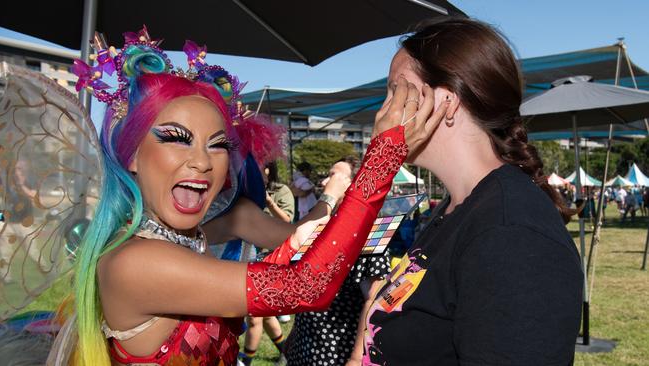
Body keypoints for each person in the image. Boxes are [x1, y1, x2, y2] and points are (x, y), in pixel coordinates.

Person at [45, 27, 446, 366]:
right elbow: (304, 288)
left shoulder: (174, 242)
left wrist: (292, 243)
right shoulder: (135, 261)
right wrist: (382, 156)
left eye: (217, 145)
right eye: (176, 139)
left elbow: (255, 281)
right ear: (131, 155)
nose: (202, 162)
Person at [354, 18, 583, 365]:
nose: (382, 111)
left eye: (394, 91)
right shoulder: (455, 210)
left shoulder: (510, 233)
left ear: (445, 102)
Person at [285, 156, 390, 366]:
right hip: (304, 347)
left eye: (335, 176)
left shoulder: (371, 230)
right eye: (327, 176)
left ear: (356, 184)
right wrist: (294, 336)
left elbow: (374, 298)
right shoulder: (321, 225)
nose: (325, 183)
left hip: (336, 353)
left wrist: (356, 356)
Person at [239, 162, 293, 366]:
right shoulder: (244, 195)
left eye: (263, 169)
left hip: (274, 259)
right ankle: (285, 350)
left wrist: (269, 203)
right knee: (266, 315)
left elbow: (288, 221)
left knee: (255, 316)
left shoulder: (282, 191)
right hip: (252, 257)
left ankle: (247, 360)